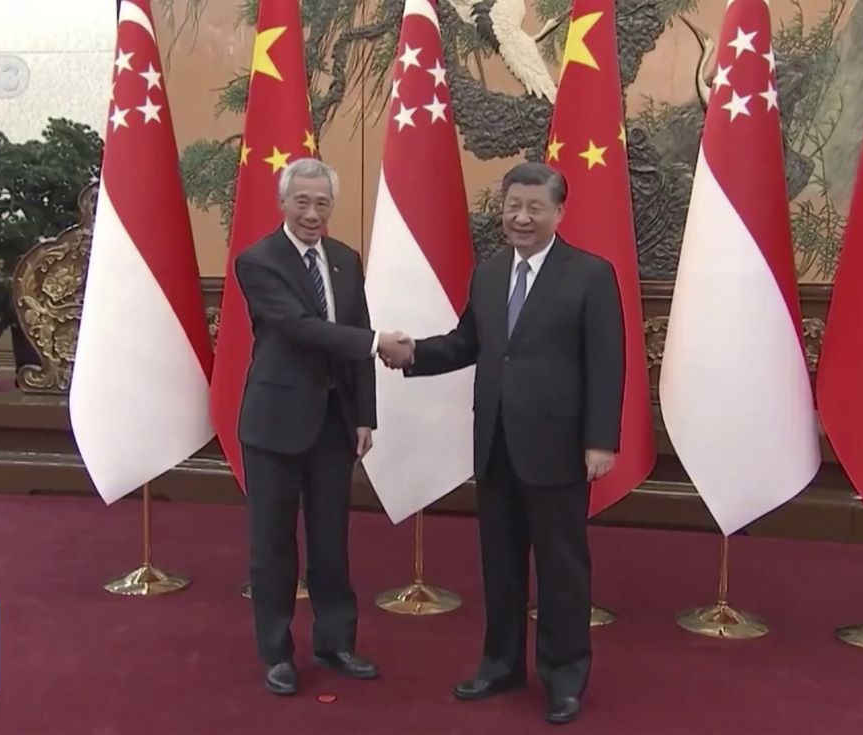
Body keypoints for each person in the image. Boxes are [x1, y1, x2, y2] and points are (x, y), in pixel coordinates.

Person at [379, 162, 626, 726]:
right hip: (494, 443)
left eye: (534, 208)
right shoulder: (489, 274)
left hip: (560, 447)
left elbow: (607, 364)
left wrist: (599, 440)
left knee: (563, 569)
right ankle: (501, 664)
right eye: (513, 205)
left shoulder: (590, 275)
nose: (521, 217)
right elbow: (470, 341)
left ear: (558, 212)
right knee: (500, 564)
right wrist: (414, 352)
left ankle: (564, 677)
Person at [233, 158, 410, 696]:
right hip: (275, 424)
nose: (312, 213)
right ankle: (277, 653)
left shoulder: (344, 260)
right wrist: (378, 342)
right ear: (283, 202)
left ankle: (336, 643)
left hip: (334, 427)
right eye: (302, 202)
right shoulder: (258, 261)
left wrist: (364, 415)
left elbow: (352, 330)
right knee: (273, 545)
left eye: (322, 203)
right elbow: (298, 328)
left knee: (332, 543)